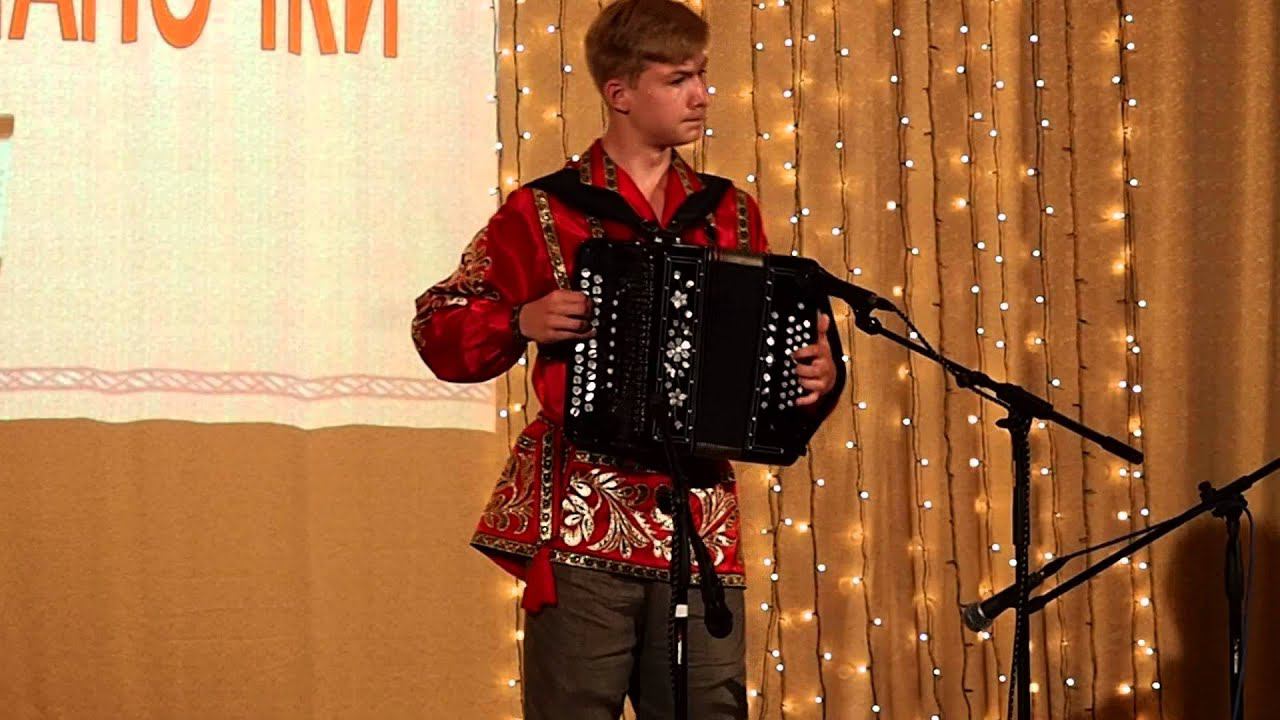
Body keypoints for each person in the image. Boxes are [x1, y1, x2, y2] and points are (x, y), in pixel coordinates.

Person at [411, 1, 842, 717]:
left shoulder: (730, 212)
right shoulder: (544, 211)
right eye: (678, 79)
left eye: (701, 75)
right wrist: (519, 319)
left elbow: (775, 348)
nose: (702, 95)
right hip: (583, 511)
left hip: (698, 515)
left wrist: (816, 375)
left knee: (709, 707)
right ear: (621, 93)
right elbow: (440, 320)